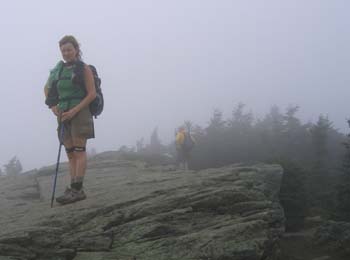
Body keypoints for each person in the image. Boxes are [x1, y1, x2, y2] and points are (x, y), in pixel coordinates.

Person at [44, 35, 96, 205]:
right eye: (63, 50)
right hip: (63, 114)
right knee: (70, 153)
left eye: (69, 49)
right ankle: (73, 187)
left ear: (76, 50)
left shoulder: (84, 68)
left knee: (79, 151)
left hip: (80, 113)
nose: (66, 53)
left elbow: (91, 94)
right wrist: (53, 108)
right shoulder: (58, 70)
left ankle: (77, 189)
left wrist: (74, 111)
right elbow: (47, 89)